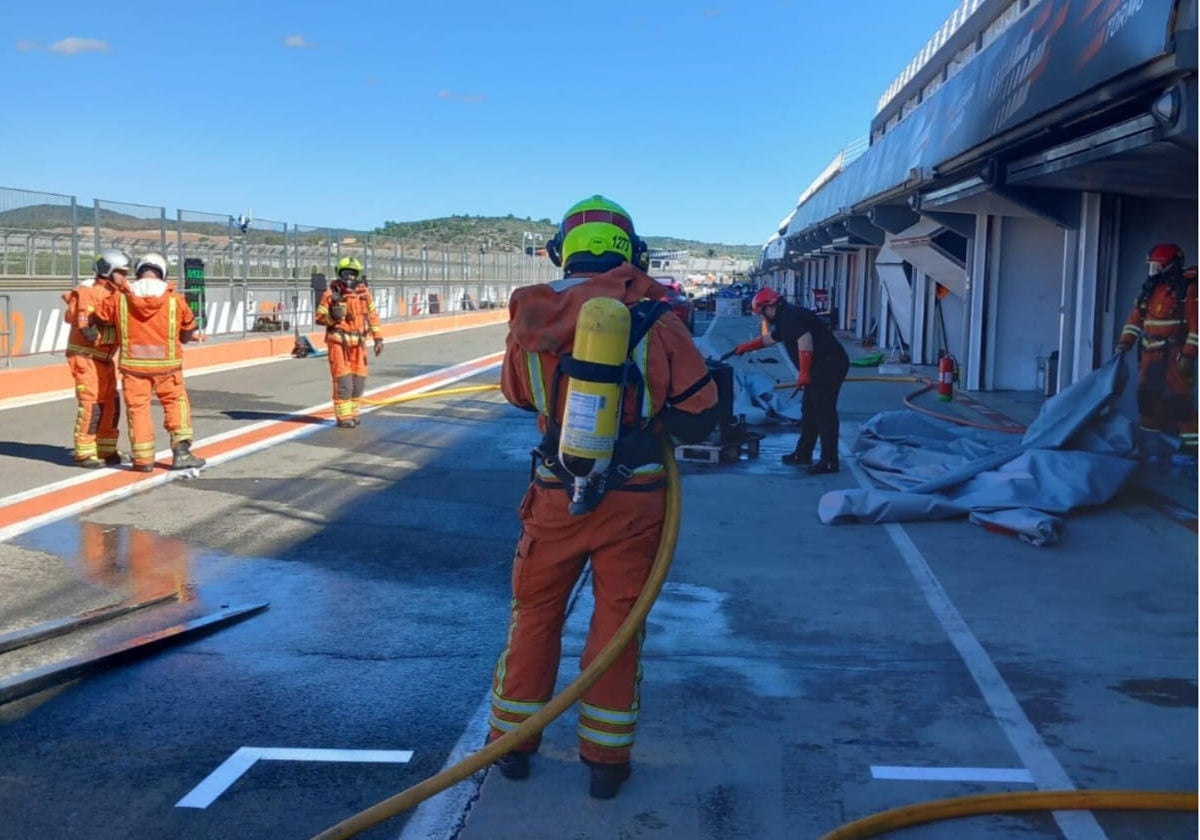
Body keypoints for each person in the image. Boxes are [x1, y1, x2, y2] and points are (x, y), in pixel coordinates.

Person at [486, 195, 720, 799]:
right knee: (618, 622)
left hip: (555, 493)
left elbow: (517, 397)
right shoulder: (655, 318)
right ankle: (605, 762)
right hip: (636, 497)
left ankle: (512, 745)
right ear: (632, 254)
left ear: (560, 251)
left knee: (535, 616)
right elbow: (700, 415)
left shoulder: (529, 320)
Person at [96, 253, 207, 472]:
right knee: (176, 404)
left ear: (139, 271)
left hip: (133, 366)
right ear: (162, 272)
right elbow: (187, 331)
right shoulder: (174, 299)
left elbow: (101, 316)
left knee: (138, 410)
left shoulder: (121, 297)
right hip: (167, 365)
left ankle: (143, 460)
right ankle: (182, 453)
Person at [733, 287, 850, 473]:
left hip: (828, 366)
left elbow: (805, 341)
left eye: (762, 313)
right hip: (820, 366)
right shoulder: (785, 317)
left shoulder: (790, 317)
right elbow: (772, 338)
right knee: (810, 410)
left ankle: (829, 460)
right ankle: (803, 453)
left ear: (768, 306)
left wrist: (803, 373)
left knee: (824, 412)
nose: (763, 318)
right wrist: (745, 347)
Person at [1116, 242, 1198, 455]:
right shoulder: (1149, 290)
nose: (1153, 271)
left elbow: (1196, 325)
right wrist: (1125, 342)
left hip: (1176, 355)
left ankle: (1193, 449)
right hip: (1149, 355)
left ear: (1170, 265)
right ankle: (1149, 446)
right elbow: (1135, 320)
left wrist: (1189, 355)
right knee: (1147, 399)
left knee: (1180, 400)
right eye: (1151, 266)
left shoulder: (1188, 289)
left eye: (1157, 266)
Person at [63, 249, 130, 467]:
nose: (124, 277)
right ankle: (84, 452)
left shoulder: (116, 292)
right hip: (86, 356)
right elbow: (88, 332)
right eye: (121, 272)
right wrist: (118, 332)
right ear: (108, 271)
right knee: (92, 404)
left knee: (111, 402)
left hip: (104, 359)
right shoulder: (88, 291)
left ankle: (106, 449)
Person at [314, 256, 383, 428]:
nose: (349, 278)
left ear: (357, 275)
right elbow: (319, 318)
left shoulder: (364, 295)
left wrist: (378, 338)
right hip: (339, 343)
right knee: (344, 382)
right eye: (345, 274)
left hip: (359, 345)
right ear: (339, 274)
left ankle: (353, 413)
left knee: (358, 381)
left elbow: (373, 317)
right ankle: (344, 417)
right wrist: (332, 316)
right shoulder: (330, 294)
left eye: (352, 274)